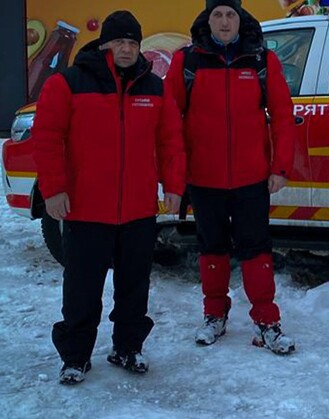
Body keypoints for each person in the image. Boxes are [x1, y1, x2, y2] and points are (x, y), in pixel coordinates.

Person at [32, 11, 186, 384]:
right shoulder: (68, 83)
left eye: (133, 43)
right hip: (87, 208)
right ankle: (75, 356)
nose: (127, 49)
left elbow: (170, 142)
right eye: (120, 42)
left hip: (137, 209)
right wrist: (53, 191)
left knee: (134, 286)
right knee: (82, 289)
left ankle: (127, 347)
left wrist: (175, 187)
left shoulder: (153, 86)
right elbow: (48, 139)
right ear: (104, 44)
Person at [164, 0, 297, 354]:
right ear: (207, 21)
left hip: (252, 178)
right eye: (217, 15)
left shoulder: (260, 60)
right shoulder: (187, 61)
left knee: (256, 249)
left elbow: (283, 116)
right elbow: (169, 122)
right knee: (212, 247)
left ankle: (267, 321)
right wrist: (175, 180)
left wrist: (280, 167)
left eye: (230, 14)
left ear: (241, 19)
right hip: (204, 178)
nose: (224, 22)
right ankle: (214, 315)